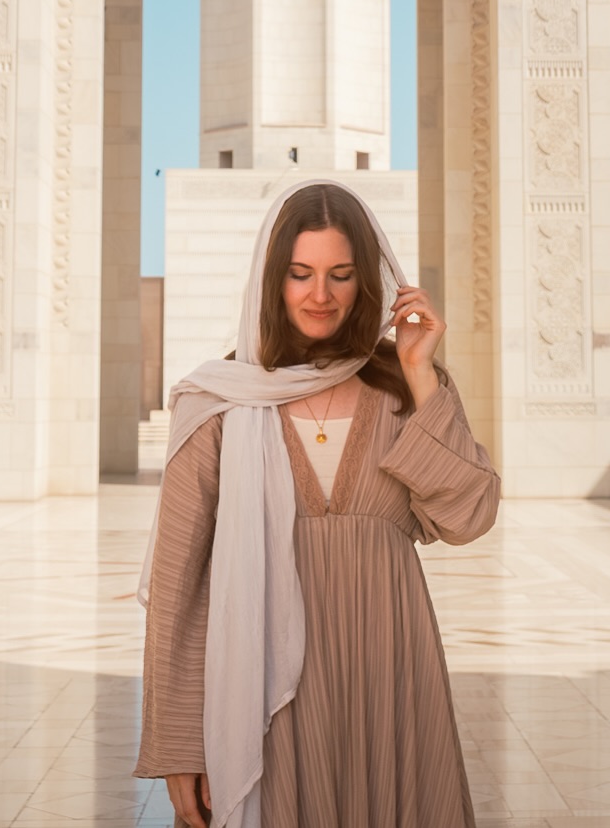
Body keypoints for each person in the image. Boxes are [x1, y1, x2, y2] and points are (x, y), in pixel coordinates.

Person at [135, 178, 500, 828]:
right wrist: (179, 743)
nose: (320, 295)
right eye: (300, 274)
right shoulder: (220, 400)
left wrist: (421, 373)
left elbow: (468, 515)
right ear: (271, 278)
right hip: (266, 690)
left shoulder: (405, 388)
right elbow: (177, 587)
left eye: (340, 275)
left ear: (367, 281)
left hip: (391, 673)